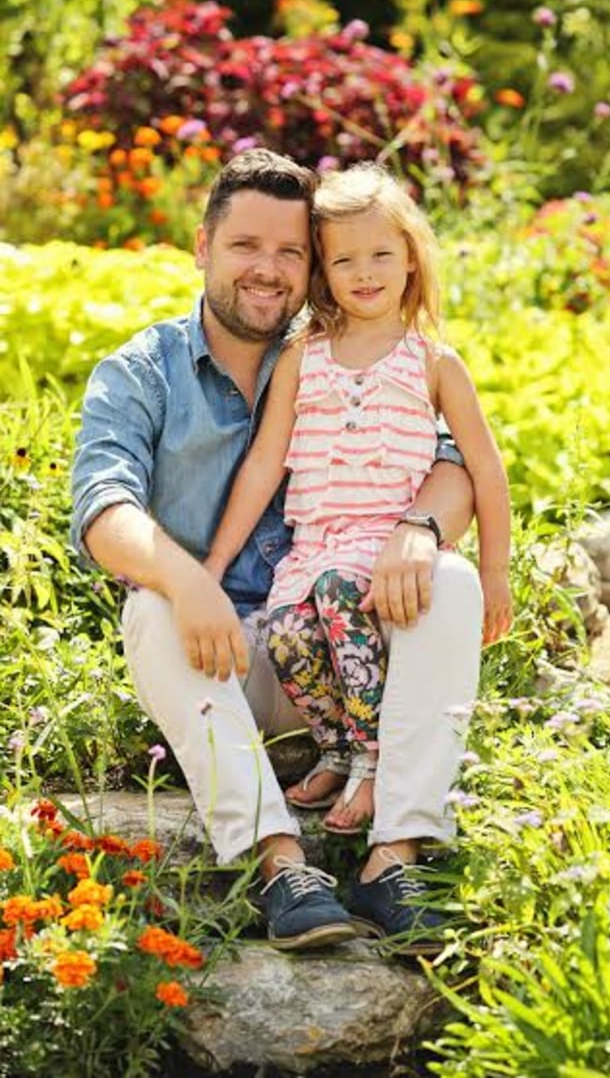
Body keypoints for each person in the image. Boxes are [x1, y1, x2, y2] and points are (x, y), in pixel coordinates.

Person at [70, 148, 494, 953]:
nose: (268, 270)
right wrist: (190, 581)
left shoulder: (351, 351)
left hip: (350, 642)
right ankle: (281, 860)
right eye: (244, 247)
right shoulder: (142, 372)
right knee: (151, 603)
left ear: (315, 267)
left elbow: (456, 464)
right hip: (226, 657)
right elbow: (103, 507)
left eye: (290, 251)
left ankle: (395, 855)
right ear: (202, 247)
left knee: (454, 578)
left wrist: (419, 526)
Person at [204, 162, 512, 839]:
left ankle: (374, 763)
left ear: (410, 256)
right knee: (287, 632)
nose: (365, 271)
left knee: (343, 596)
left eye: (381, 253)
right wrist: (214, 564)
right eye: (345, 259)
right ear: (323, 270)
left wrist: (494, 572)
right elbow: (263, 467)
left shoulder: (432, 361)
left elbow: (485, 468)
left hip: (379, 544)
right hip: (310, 545)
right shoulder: (302, 357)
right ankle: (338, 746)